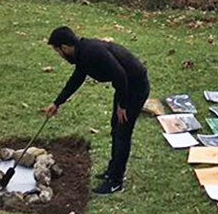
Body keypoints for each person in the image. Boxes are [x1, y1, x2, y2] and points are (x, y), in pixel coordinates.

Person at [43, 26, 150, 195]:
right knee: (116, 128)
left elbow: (121, 75)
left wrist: (122, 105)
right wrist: (57, 103)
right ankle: (112, 171)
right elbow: (76, 79)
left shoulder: (91, 52)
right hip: (125, 86)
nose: (60, 56)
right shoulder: (82, 53)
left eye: (58, 51)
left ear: (64, 47)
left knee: (122, 132)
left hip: (135, 87)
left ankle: (115, 181)